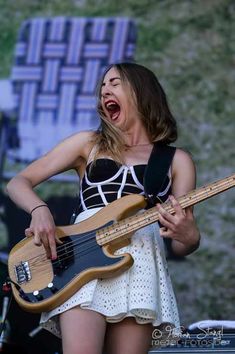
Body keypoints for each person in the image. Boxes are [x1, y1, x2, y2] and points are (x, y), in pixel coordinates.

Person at [6, 62, 200, 354]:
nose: (104, 90)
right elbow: (18, 182)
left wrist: (188, 235)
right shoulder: (88, 143)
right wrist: (39, 209)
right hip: (82, 258)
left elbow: (184, 243)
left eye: (114, 83)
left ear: (141, 92)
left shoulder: (177, 160)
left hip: (141, 263)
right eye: (102, 87)